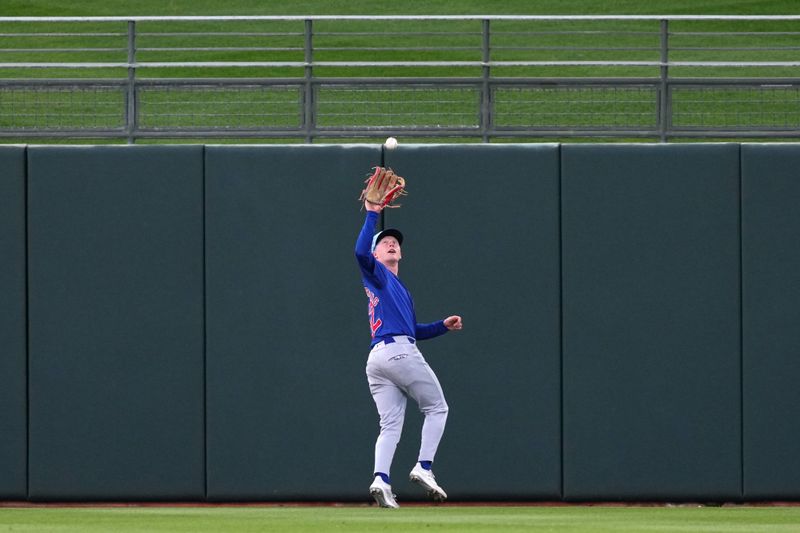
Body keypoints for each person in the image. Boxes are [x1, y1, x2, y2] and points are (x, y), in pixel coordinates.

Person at [355, 197, 463, 509]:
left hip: (379, 358)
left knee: (389, 425)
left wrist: (442, 326)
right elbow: (360, 252)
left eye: (394, 242)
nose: (390, 244)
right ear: (376, 254)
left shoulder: (397, 288)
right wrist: (372, 214)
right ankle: (424, 467)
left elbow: (412, 330)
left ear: (401, 252)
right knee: (437, 408)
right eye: (384, 242)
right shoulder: (377, 273)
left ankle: (381, 479)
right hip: (397, 353)